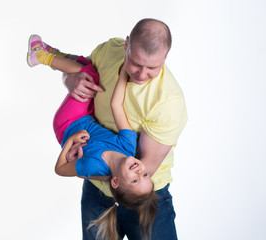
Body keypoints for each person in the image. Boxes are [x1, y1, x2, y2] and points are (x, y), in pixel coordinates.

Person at [62, 18, 188, 239]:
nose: (141, 74)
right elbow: (79, 68)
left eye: (152, 68)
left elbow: (141, 168)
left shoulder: (168, 102)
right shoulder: (109, 51)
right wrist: (70, 78)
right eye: (136, 63)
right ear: (127, 44)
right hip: (97, 191)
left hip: (144, 198)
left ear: (165, 57)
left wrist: (85, 166)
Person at [27, 34, 158, 240]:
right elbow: (116, 105)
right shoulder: (128, 145)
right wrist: (124, 72)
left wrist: (70, 141)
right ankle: (50, 51)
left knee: (89, 74)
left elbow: (60, 169)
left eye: (134, 180)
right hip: (86, 114)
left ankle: (41, 57)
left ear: (115, 182)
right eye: (145, 176)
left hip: (67, 123)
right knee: (88, 65)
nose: (139, 172)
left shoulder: (92, 167)